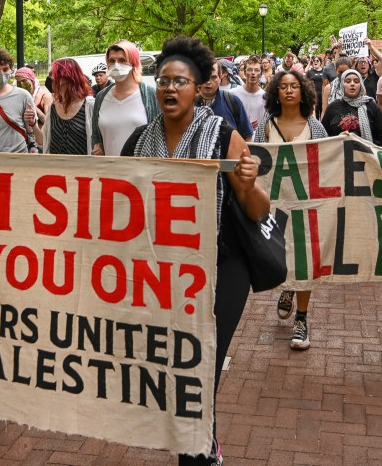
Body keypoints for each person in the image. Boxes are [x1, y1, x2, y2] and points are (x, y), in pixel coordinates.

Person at [121, 35, 269, 466]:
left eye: (180, 81)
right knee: (173, 368)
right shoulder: (137, 143)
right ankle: (206, 443)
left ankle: (199, 453)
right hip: (161, 274)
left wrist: (248, 184)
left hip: (222, 269)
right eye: (164, 81)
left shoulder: (224, 136)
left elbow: (259, 210)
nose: (170, 88)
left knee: (201, 367)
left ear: (199, 86)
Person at [252, 70, 327, 350]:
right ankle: (288, 287)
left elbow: (328, 159)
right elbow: (256, 158)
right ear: (276, 93)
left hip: (306, 206)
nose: (289, 91)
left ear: (303, 91)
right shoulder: (266, 126)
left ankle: (302, 318)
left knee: (305, 258)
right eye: (283, 86)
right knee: (280, 255)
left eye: (294, 86)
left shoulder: (315, 127)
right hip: (274, 206)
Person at [91, 40, 158, 156]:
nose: (116, 65)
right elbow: (96, 135)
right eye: (112, 61)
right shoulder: (101, 97)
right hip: (109, 166)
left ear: (134, 63)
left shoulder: (151, 95)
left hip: (141, 166)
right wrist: (98, 146)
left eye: (122, 60)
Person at [321, 69, 382, 147]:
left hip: (368, 153)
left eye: (356, 81)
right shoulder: (333, 107)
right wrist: (337, 139)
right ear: (342, 85)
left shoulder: (370, 105)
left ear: (361, 85)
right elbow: (323, 137)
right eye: (348, 81)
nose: (352, 84)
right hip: (340, 152)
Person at [37, 58, 95, 155]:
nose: (51, 80)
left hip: (82, 164)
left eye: (54, 75)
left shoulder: (89, 106)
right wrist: (33, 124)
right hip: (55, 164)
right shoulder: (53, 107)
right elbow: (44, 140)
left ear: (68, 78)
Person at [197, 60, 254, 140]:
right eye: (205, 77)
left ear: (220, 77)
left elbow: (247, 137)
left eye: (213, 77)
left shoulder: (232, 101)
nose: (208, 82)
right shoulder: (187, 104)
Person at [231, 56, 266, 132]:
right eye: (249, 70)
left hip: (259, 138)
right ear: (244, 72)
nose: (253, 73)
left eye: (256, 70)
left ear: (261, 74)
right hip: (238, 136)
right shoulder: (233, 94)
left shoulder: (266, 97)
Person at [13, 66, 53, 131]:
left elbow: (49, 123)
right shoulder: (18, 97)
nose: (21, 84)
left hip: (40, 135)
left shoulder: (45, 96)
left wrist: (35, 109)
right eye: (18, 82)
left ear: (31, 80)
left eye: (24, 81)